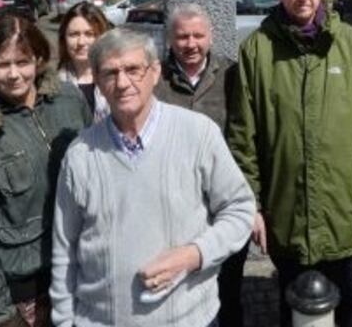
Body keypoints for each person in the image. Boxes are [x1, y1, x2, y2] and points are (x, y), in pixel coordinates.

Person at [227, 0, 352, 327]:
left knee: (344, 309)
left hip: (343, 211)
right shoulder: (257, 50)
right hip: (285, 214)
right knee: (293, 309)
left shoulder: (351, 44)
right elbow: (243, 138)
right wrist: (251, 205)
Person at [50, 29, 255, 327]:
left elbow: (240, 210)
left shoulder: (199, 133)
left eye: (133, 69)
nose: (122, 83)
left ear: (155, 71)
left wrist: (194, 254)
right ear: (97, 79)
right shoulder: (80, 155)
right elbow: (64, 251)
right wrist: (64, 322)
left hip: (191, 320)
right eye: (110, 73)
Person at [0, 15, 92, 327]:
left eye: (23, 62)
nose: (14, 74)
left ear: (40, 60)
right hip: (29, 287)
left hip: (84, 266)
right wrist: (1, 315)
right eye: (3, 64)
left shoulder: (69, 100)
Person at [152, 3, 243, 327]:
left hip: (221, 205)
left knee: (229, 290)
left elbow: (243, 137)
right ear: (170, 39)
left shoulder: (232, 74)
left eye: (198, 36)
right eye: (182, 37)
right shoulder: (154, 78)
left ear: (211, 36)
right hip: (173, 205)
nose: (191, 44)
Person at [57, 2, 112, 121]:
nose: (81, 42)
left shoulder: (117, 79)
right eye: (74, 34)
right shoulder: (54, 86)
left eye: (89, 34)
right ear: (64, 39)